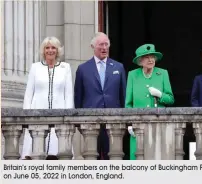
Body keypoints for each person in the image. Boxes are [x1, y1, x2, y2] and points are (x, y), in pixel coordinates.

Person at [74, 32, 127, 160]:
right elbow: (78, 98)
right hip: (90, 122)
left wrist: (124, 120)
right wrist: (80, 123)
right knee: (92, 158)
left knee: (114, 158)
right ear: (93, 47)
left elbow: (123, 95)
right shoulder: (83, 69)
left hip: (114, 122)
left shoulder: (119, 67)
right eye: (101, 45)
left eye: (106, 44)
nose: (104, 48)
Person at [22, 36, 74, 159]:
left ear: (58, 50)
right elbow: (29, 93)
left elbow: (69, 94)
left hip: (59, 113)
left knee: (57, 153)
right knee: (36, 152)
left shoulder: (65, 67)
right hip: (37, 113)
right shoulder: (35, 67)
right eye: (47, 48)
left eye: (53, 48)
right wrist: (26, 115)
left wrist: (68, 116)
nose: (50, 50)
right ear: (43, 50)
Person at [125, 43, 174, 160]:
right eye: (147, 57)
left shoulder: (162, 73)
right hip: (138, 125)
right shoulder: (132, 75)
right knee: (138, 158)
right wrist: (130, 124)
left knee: (158, 158)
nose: (151, 59)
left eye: (152, 57)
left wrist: (160, 94)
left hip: (158, 124)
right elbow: (128, 103)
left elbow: (171, 99)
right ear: (140, 61)